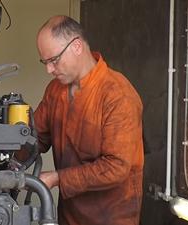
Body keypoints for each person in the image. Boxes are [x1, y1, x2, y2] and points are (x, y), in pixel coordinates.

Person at [29, 15, 144, 225]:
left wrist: (57, 178)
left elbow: (116, 167)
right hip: (69, 216)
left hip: (110, 218)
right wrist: (2, 156)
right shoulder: (55, 90)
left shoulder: (117, 94)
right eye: (44, 62)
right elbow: (35, 138)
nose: (49, 70)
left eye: (54, 60)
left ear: (77, 46)